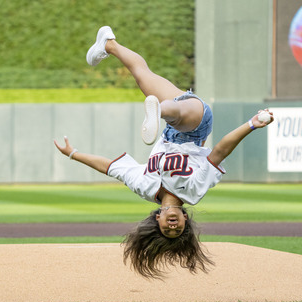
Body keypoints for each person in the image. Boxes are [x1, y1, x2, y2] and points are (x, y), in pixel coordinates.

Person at [54, 26, 274, 279]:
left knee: (141, 76)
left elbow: (110, 168)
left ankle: (109, 44)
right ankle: (157, 111)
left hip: (168, 127)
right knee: (178, 115)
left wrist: (74, 154)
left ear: (157, 220)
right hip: (197, 124)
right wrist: (251, 125)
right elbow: (219, 152)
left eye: (167, 230)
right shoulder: (193, 192)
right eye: (178, 230)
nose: (173, 227)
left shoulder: (145, 187)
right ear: (185, 220)